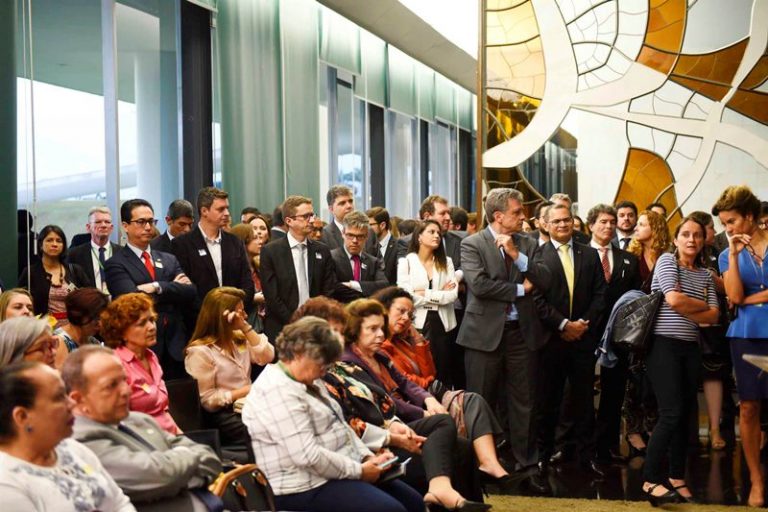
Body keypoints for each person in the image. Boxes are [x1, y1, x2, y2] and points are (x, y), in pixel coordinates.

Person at [242, 316, 426, 512]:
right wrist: (360, 471)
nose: (324, 371)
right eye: (322, 363)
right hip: (302, 486)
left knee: (414, 501)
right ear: (299, 353)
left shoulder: (307, 378)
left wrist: (366, 458)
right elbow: (308, 457)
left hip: (336, 471)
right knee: (391, 509)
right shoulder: (276, 391)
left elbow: (341, 426)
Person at [338, 300, 489, 510]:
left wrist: (428, 399)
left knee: (462, 446)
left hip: (398, 422)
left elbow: (407, 383)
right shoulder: (348, 363)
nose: (380, 334)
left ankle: (458, 501)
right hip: (381, 435)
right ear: (354, 331)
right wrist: (420, 413)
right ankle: (440, 489)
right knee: (443, 424)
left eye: (381, 328)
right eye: (372, 329)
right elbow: (385, 403)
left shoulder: (379, 355)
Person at [455, 188, 550, 478]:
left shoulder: (528, 243)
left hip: (521, 333)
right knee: (480, 400)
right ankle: (479, 465)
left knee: (525, 402)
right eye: (517, 212)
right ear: (498, 216)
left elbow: (545, 278)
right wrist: (521, 289)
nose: (523, 217)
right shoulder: (472, 243)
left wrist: (516, 256)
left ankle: (528, 465)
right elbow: (479, 285)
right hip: (482, 335)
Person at [65, 346, 222, 511]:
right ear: (78, 399)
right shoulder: (81, 440)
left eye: (124, 380)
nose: (126, 390)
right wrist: (183, 468)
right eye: (111, 385)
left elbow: (210, 458)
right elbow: (159, 476)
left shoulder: (139, 419)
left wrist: (175, 477)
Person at [374, 287, 509, 480]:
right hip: (408, 405)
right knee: (469, 402)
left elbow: (430, 372)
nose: (405, 318)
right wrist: (427, 384)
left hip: (426, 397)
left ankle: (490, 464)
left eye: (410, 315)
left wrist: (418, 340)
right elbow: (404, 380)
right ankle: (489, 464)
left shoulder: (404, 341)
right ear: (384, 310)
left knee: (472, 401)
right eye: (401, 311)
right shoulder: (378, 346)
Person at [641, 216, 718, 506]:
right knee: (671, 412)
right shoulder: (666, 261)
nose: (691, 239)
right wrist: (701, 305)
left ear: (703, 240)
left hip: (690, 348)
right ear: (675, 239)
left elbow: (714, 316)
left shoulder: (706, 275)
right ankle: (650, 481)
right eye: (685, 234)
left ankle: (675, 477)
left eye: (697, 235)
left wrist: (692, 305)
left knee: (685, 415)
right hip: (663, 346)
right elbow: (673, 300)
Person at [0, 362, 134, 511]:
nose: (71, 403)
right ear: (22, 416)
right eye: (58, 397)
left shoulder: (70, 448)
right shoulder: (6, 484)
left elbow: (119, 502)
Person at [535, 203, 607, 478]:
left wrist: (582, 325)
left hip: (583, 340)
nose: (563, 225)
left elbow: (600, 294)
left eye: (567, 220)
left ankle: (587, 458)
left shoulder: (589, 254)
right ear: (546, 225)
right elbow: (536, 299)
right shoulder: (537, 255)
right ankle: (542, 457)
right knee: (548, 402)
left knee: (584, 403)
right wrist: (563, 325)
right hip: (551, 340)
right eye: (557, 221)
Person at [713, 185, 768, 507]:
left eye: (731, 221)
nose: (728, 229)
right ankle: (756, 482)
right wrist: (733, 255)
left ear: (749, 216)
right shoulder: (726, 255)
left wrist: (750, 299)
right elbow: (734, 296)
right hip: (746, 333)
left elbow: (742, 299)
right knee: (748, 407)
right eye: (723, 224)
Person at [106, 199, 197, 380]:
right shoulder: (116, 263)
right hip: (141, 346)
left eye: (151, 221)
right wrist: (173, 289)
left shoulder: (168, 258)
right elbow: (132, 302)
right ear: (125, 226)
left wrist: (157, 287)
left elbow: (190, 292)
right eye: (141, 222)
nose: (148, 227)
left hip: (176, 344)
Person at [185, 287, 274, 457]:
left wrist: (245, 327)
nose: (245, 316)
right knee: (269, 432)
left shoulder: (239, 338)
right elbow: (208, 400)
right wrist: (247, 390)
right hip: (225, 415)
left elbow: (267, 356)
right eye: (241, 312)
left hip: (250, 405)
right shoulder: (200, 351)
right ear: (224, 316)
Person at [587, 204, 641, 464]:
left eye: (611, 221)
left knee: (613, 391)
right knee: (579, 391)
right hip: (583, 330)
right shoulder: (580, 253)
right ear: (591, 225)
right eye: (603, 222)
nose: (609, 226)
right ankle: (578, 446)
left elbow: (634, 298)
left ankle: (607, 446)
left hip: (617, 335)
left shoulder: (628, 259)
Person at [621, 209, 670, 455]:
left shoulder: (668, 258)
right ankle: (632, 431)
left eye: (642, 224)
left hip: (661, 325)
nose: (636, 228)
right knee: (633, 382)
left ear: (656, 228)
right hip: (635, 328)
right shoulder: (630, 257)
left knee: (655, 381)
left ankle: (653, 428)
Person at [260, 195, 339, 342]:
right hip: (282, 328)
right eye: (305, 216)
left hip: (316, 327)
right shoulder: (270, 251)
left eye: (312, 215)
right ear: (289, 221)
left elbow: (328, 290)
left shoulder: (322, 250)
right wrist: (295, 322)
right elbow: (272, 296)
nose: (312, 220)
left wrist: (314, 321)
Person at [99, 293, 181, 434]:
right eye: (142, 323)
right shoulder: (115, 365)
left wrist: (182, 437)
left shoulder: (151, 356)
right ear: (121, 332)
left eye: (152, 320)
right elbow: (117, 424)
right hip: (143, 439)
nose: (152, 327)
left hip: (169, 436)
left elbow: (163, 411)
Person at [397, 220, 460, 388]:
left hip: (444, 323)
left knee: (444, 370)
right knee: (422, 368)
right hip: (417, 322)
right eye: (431, 232)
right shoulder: (406, 262)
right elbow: (406, 296)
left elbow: (452, 295)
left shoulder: (446, 262)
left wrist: (424, 293)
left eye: (438, 233)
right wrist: (439, 294)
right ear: (419, 237)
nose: (437, 236)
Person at [171, 186, 255, 310]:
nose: (227, 213)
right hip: (198, 317)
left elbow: (247, 284)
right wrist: (209, 314)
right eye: (221, 209)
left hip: (234, 315)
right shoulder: (182, 244)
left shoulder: (235, 242)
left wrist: (235, 309)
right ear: (204, 211)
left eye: (227, 208)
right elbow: (185, 287)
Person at [689, 210, 732, 451]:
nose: (714, 232)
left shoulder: (717, 254)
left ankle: (715, 429)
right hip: (685, 324)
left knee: (714, 376)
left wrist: (713, 279)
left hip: (714, 325)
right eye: (711, 228)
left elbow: (729, 288)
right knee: (684, 379)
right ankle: (689, 431)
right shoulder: (674, 257)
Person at [18, 225, 90, 327]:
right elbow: (19, 300)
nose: (54, 244)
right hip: (42, 329)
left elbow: (90, 298)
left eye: (59, 241)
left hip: (74, 328)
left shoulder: (75, 270)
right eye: (49, 240)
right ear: (40, 245)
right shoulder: (30, 272)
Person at [331, 211, 389, 302]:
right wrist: (367, 290)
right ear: (343, 233)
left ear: (367, 236)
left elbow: (384, 285)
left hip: (367, 309)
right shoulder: (331, 258)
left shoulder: (373, 262)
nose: (355, 241)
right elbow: (334, 288)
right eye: (350, 235)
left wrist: (353, 285)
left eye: (360, 236)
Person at [66, 206, 121, 294]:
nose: (103, 225)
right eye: (98, 222)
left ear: (111, 228)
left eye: (107, 222)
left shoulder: (123, 253)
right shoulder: (74, 254)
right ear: (88, 227)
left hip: (117, 300)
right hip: (88, 301)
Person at [52, 287, 109, 369]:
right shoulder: (59, 342)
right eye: (96, 318)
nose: (100, 324)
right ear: (79, 315)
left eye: (102, 319)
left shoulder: (92, 341)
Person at [230, 223, 268, 331]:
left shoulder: (258, 266)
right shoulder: (234, 269)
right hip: (244, 324)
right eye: (255, 238)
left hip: (262, 324)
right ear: (243, 241)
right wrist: (254, 298)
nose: (260, 242)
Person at [321, 185, 378, 254]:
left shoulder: (369, 231)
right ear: (331, 209)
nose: (349, 206)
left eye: (350, 201)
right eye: (342, 203)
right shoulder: (324, 235)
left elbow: (378, 260)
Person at [367, 206, 399, 285]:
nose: (367, 228)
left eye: (370, 225)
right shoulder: (366, 246)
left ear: (382, 225)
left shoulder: (399, 246)